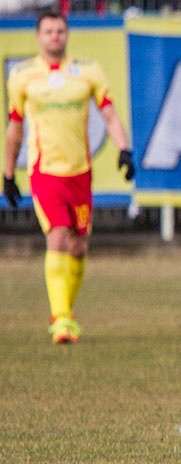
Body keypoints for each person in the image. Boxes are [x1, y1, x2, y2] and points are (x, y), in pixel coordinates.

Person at [3, 8, 134, 344]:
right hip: (45, 172)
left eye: (60, 31)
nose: (55, 37)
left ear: (67, 34)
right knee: (58, 236)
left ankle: (65, 311)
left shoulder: (87, 72)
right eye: (48, 32)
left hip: (80, 173)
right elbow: (14, 128)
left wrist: (124, 149)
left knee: (78, 246)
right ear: (38, 36)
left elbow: (109, 113)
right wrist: (7, 172)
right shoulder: (23, 76)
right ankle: (60, 320)